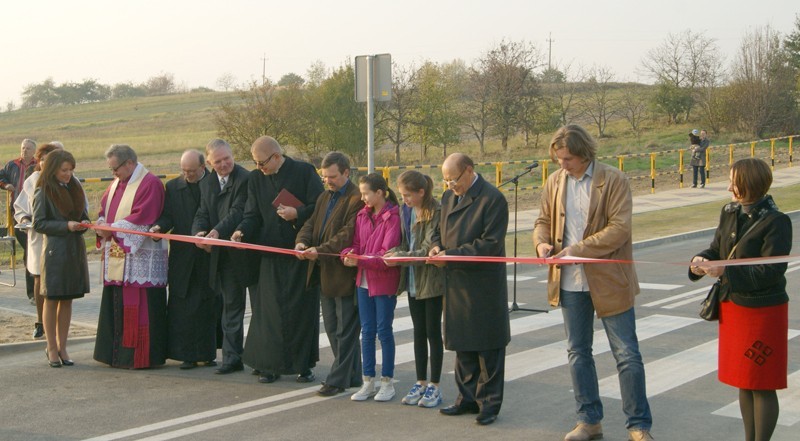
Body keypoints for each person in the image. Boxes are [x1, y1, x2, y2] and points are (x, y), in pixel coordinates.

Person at [533, 125, 653, 441]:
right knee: (577, 352)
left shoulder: (613, 179)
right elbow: (542, 222)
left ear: (585, 153)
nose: (562, 164)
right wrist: (542, 244)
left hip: (610, 280)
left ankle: (639, 425)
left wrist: (577, 250)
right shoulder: (554, 181)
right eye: (558, 159)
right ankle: (589, 421)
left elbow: (619, 229)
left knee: (626, 354)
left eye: (568, 158)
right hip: (569, 283)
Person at [689, 158, 792, 441]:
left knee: (763, 383)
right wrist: (701, 261)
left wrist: (726, 272)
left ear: (749, 183)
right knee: (744, 381)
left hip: (762, 311)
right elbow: (716, 248)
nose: (728, 186)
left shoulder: (777, 221)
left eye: (733, 181)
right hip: (733, 306)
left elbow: (771, 271)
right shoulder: (729, 211)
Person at [232, 136, 323, 384]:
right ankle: (269, 365)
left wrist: (298, 213)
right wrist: (242, 230)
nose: (259, 168)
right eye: (255, 163)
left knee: (300, 312)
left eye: (262, 163)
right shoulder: (255, 179)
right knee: (269, 314)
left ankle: (303, 365)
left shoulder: (304, 171)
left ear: (276, 156)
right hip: (269, 254)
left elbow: (321, 206)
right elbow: (252, 213)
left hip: (299, 253)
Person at [429, 153, 509, 426]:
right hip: (456, 283)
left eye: (454, 179)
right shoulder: (448, 197)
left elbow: (490, 244)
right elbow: (437, 230)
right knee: (462, 344)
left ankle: (489, 404)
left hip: (483, 284)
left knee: (488, 348)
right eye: (446, 180)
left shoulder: (492, 199)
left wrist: (451, 254)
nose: (451, 185)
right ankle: (466, 398)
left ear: (469, 171)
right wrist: (437, 246)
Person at [295, 152, 365, 397]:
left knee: (345, 331)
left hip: (343, 274)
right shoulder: (325, 196)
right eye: (324, 177)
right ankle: (353, 374)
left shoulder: (357, 199)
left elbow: (347, 234)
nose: (327, 181)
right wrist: (302, 243)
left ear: (346, 173)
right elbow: (311, 224)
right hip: (324, 273)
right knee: (334, 328)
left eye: (332, 176)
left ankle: (337, 379)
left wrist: (320, 251)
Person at [93, 144, 169, 369]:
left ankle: (140, 357)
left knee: (141, 308)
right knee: (117, 304)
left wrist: (112, 229)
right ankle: (115, 356)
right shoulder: (117, 183)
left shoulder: (150, 183)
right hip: (119, 257)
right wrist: (100, 224)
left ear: (129, 163)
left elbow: (144, 216)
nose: (113, 174)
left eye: (115, 168)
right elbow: (104, 209)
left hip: (140, 258)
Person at [192, 139, 258, 375]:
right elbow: (202, 212)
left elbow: (237, 211)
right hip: (217, 255)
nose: (223, 164)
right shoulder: (207, 183)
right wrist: (198, 233)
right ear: (209, 162)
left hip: (240, 254)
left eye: (226, 159)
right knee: (226, 307)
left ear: (233, 155)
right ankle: (232, 356)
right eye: (217, 161)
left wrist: (217, 232)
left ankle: (237, 358)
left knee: (238, 308)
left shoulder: (246, 179)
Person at [152, 150, 217, 369]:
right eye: (183, 170)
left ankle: (208, 353)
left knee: (207, 305)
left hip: (207, 252)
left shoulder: (213, 184)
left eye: (191, 171)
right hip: (182, 254)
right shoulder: (172, 187)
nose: (187, 174)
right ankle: (185, 354)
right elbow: (168, 214)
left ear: (203, 167)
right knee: (182, 304)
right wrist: (159, 226)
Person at [385, 170, 444, 408]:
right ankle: (420, 382)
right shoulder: (404, 211)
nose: (405, 200)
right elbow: (404, 241)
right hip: (411, 279)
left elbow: (427, 249)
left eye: (408, 195)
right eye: (402, 195)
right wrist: (393, 252)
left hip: (430, 280)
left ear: (421, 192)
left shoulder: (436, 211)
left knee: (432, 332)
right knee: (418, 332)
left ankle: (435, 385)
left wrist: (401, 256)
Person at [341, 173, 401, 402]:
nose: (362, 197)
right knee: (366, 333)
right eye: (361, 193)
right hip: (363, 282)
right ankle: (368, 381)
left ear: (380, 193)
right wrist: (348, 254)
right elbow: (356, 244)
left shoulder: (393, 218)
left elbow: (387, 255)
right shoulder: (361, 216)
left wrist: (361, 260)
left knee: (383, 331)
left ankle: (387, 381)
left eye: (366, 193)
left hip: (384, 282)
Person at [31, 150, 90, 367]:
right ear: (53, 168)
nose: (68, 174)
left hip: (75, 248)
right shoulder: (43, 191)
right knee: (52, 298)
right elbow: (39, 223)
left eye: (71, 170)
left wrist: (84, 223)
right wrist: (66, 226)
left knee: (68, 298)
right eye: (64, 170)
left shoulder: (75, 187)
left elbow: (82, 214)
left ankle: (63, 347)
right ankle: (51, 347)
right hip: (55, 251)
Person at [14, 142, 62, 339]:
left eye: (47, 160)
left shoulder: (67, 177)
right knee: (38, 277)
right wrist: (25, 219)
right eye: (41, 160)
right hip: (38, 236)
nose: (43, 163)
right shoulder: (32, 180)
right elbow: (21, 207)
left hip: (60, 238)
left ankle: (58, 321)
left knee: (59, 280)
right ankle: (40, 322)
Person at [1, 138, 37, 302]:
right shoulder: (12, 165)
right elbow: (1, 177)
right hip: (17, 214)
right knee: (29, 250)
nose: (25, 151)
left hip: (35, 212)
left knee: (31, 251)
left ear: (34, 151)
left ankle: (34, 293)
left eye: (28, 148)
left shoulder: (39, 165)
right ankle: (33, 293)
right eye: (23, 148)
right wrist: (6, 185)